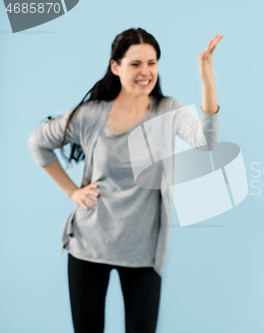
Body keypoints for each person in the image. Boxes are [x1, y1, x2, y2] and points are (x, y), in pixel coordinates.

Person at [28, 27, 223, 333]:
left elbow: (206, 141)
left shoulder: (168, 111)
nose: (146, 72)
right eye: (135, 64)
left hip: (143, 252)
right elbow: (38, 142)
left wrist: (206, 78)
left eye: (152, 63)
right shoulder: (91, 115)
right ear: (115, 67)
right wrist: (72, 192)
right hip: (89, 246)